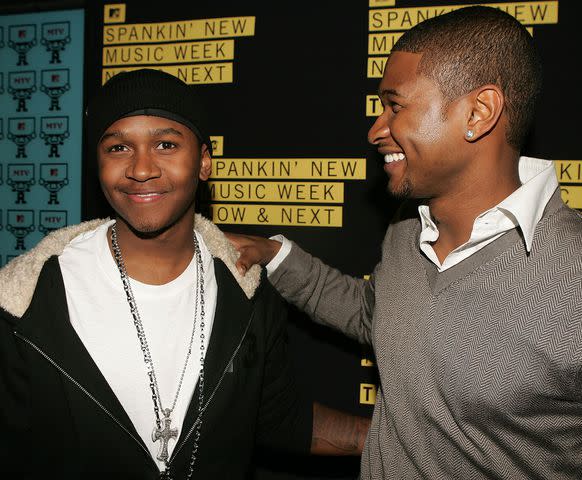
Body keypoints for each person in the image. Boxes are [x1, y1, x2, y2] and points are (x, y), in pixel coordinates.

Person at [227, 6, 582, 479]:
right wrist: (274, 256)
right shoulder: (406, 229)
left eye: (395, 105)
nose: (376, 130)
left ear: (478, 113)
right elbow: (377, 314)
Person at [0, 69, 369, 479]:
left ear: (204, 162)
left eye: (165, 144)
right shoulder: (29, 299)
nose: (141, 169)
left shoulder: (244, 289)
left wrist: (403, 439)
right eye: (119, 147)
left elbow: (278, 419)